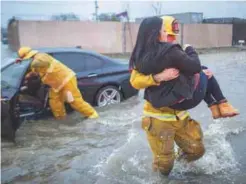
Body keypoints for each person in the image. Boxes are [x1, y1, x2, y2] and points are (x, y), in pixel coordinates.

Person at [129, 16, 239, 176]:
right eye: (168, 31)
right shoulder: (147, 55)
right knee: (164, 163)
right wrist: (158, 77)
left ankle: (181, 169)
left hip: (180, 114)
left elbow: (188, 70)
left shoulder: (173, 49)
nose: (171, 35)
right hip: (158, 116)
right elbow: (134, 81)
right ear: (159, 31)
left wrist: (201, 73)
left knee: (197, 150)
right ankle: (161, 177)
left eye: (173, 34)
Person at [16, 47, 99, 120]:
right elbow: (34, 71)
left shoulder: (41, 56)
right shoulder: (34, 61)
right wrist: (23, 64)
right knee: (55, 103)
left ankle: (92, 115)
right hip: (56, 85)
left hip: (66, 80)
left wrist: (25, 61)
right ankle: (61, 119)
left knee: (74, 101)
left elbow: (40, 63)